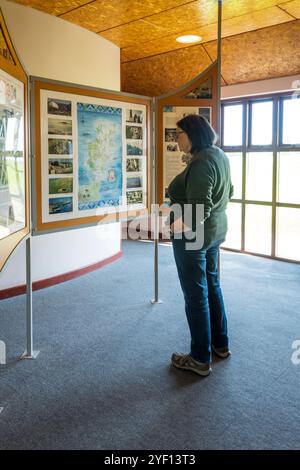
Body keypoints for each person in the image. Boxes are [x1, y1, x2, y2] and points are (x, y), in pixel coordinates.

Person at [166, 114, 234, 377]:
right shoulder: (219, 155)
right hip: (215, 233)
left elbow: (199, 209)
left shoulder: (202, 162)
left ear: (193, 135)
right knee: (212, 288)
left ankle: (199, 358)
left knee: (195, 295)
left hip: (194, 238)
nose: (176, 139)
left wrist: (172, 227)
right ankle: (220, 345)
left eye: (179, 134)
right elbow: (230, 192)